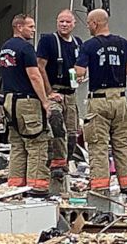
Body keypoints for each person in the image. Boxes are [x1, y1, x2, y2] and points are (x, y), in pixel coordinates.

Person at [75, 9, 127, 201]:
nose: (88, 26)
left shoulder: (89, 46)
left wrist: (79, 73)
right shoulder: (122, 43)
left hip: (99, 100)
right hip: (121, 99)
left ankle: (100, 189)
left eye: (89, 23)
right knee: (123, 145)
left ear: (96, 23)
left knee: (98, 145)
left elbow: (80, 71)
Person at [0, 14, 51, 196]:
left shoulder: (5, 48)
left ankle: (15, 187)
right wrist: (45, 101)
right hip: (27, 101)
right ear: (19, 27)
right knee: (36, 144)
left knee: (18, 145)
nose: (33, 30)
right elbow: (34, 76)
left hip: (9, 101)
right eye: (30, 26)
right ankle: (36, 188)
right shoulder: (26, 48)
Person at [36, 9, 83, 179]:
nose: (64, 25)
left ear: (74, 24)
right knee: (56, 124)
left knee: (72, 133)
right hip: (54, 90)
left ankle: (65, 164)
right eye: (61, 21)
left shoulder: (78, 43)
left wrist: (81, 76)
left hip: (71, 94)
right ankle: (55, 163)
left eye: (67, 22)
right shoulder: (49, 41)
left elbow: (82, 67)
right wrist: (49, 92)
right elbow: (39, 67)